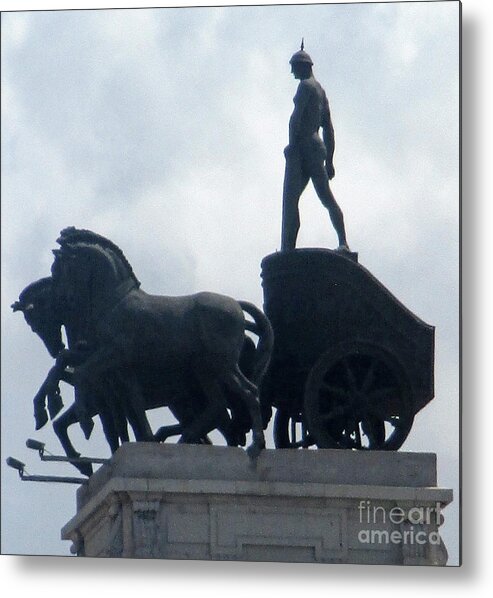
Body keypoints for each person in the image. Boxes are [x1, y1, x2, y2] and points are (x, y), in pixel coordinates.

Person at [281, 42, 349, 252]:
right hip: (317, 147)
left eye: (294, 67)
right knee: (325, 197)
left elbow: (295, 118)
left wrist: (292, 147)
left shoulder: (305, 87)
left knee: (292, 200)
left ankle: (288, 248)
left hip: (304, 148)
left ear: (304, 66)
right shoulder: (320, 90)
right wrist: (329, 160)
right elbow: (329, 128)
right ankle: (343, 241)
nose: (292, 72)